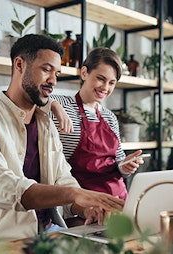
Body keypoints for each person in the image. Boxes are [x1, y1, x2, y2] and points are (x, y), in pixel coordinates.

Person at [0, 34, 124, 251]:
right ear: (19, 64)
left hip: (49, 235)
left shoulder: (46, 124)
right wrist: (77, 194)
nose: (53, 81)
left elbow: (62, 178)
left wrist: (86, 209)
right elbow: (1, 188)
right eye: (46, 70)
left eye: (57, 74)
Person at [50, 47, 145, 201]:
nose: (105, 88)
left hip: (119, 199)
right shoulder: (62, 105)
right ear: (84, 73)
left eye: (112, 83)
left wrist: (125, 166)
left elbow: (118, 164)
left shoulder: (110, 117)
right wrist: (53, 105)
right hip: (83, 202)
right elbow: (32, 99)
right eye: (101, 78)